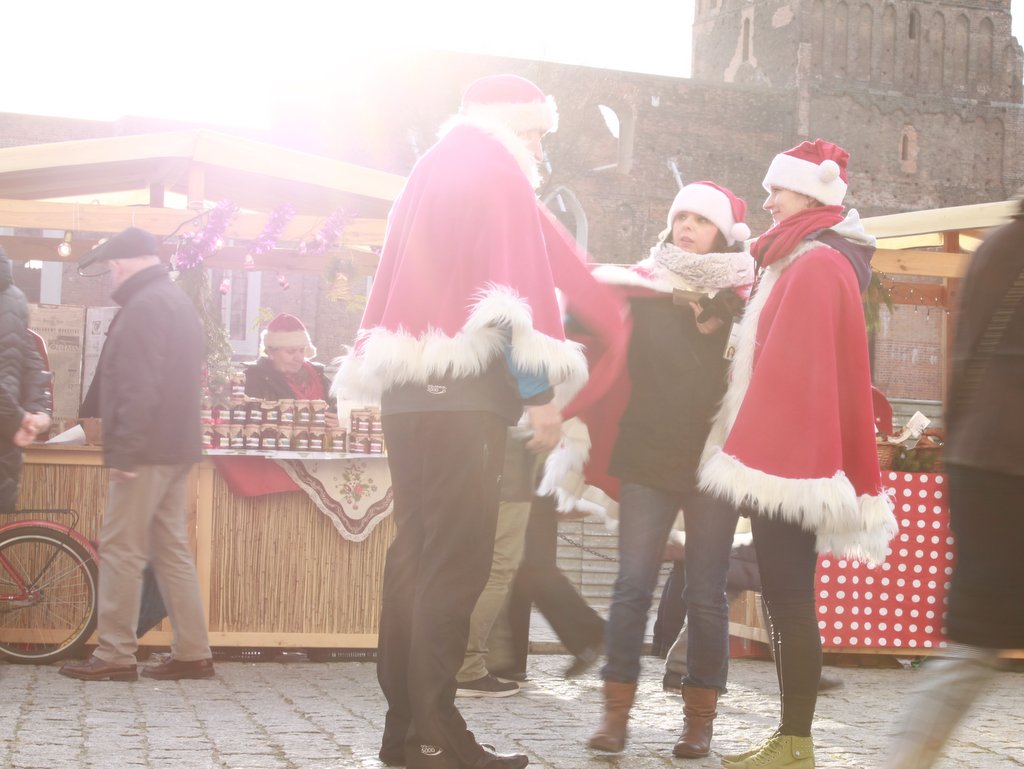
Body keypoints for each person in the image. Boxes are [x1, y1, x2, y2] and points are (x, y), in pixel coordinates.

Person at [333, 74, 627, 769]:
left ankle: (404, 730)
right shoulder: (496, 169)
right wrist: (540, 396)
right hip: (463, 395)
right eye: (535, 133)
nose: (538, 149)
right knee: (455, 565)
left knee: (414, 559)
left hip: (409, 390)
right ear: (507, 124)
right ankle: (436, 730)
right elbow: (509, 295)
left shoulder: (430, 167)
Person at [698, 139, 898, 769]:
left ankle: (797, 741)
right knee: (787, 599)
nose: (766, 200)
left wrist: (762, 451)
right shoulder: (800, 258)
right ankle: (793, 738)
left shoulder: (814, 264)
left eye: (776, 189)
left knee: (788, 599)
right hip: (781, 458)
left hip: (787, 462)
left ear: (811, 195)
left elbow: (795, 372)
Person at [543, 181, 755, 758]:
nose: (687, 226)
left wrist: (728, 315)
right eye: (680, 216)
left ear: (723, 234)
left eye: (700, 220)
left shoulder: (747, 297)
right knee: (632, 585)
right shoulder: (640, 286)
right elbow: (577, 320)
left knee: (707, 593)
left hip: (713, 463)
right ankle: (615, 715)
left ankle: (699, 718)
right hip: (645, 453)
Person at [882, 196, 1024, 769]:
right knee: (973, 645)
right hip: (1009, 465)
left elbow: (961, 364)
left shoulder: (994, 247)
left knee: (971, 646)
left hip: (979, 462)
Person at [59, 226, 214, 683]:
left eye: (111, 267)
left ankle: (115, 654)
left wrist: (124, 449)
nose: (110, 275)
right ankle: (193, 652)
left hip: (145, 449)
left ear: (125, 263)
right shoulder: (175, 301)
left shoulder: (143, 307)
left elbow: (138, 385)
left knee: (121, 548)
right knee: (170, 551)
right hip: (176, 445)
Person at [0, 245, 52, 510]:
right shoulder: (15, 298)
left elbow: (29, 359)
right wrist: (26, 417)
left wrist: (34, 413)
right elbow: (32, 361)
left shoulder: (14, 299)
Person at [244, 312, 336, 411]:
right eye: (291, 351)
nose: (299, 357)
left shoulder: (319, 377)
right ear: (270, 352)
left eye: (302, 350)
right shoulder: (252, 380)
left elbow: (341, 410)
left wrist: (337, 419)